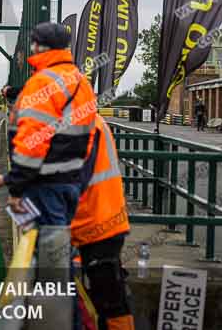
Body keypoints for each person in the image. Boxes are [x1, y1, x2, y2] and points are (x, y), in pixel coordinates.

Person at [0, 22, 97, 228]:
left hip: (44, 185)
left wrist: (16, 187)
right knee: (60, 247)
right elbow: (89, 138)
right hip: (72, 182)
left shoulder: (42, 82)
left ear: (39, 47)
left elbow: (32, 142)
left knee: (48, 251)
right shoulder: (81, 82)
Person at [71, 114, 133, 330]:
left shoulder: (78, 125)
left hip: (96, 224)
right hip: (102, 222)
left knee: (109, 300)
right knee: (110, 296)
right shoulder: (90, 120)